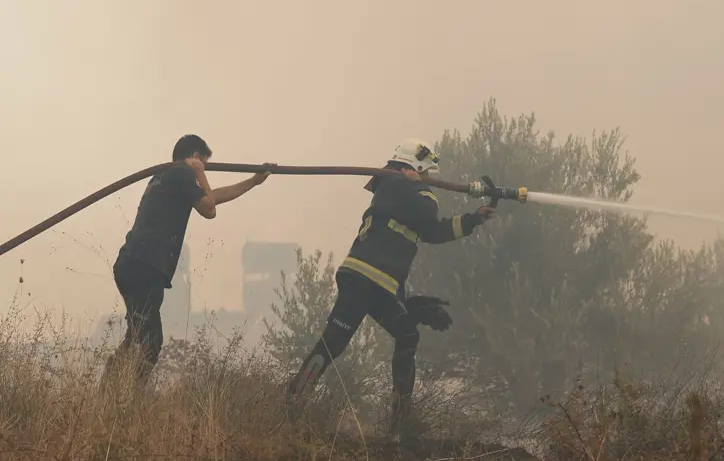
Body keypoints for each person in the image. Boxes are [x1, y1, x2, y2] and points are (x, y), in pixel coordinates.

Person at [284, 138, 496, 438]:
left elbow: (433, 232)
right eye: (426, 173)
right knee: (334, 342)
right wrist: (418, 185)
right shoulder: (395, 184)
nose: (429, 179)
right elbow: (427, 212)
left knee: (407, 334)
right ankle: (294, 399)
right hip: (364, 278)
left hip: (380, 284)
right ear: (414, 166)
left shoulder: (403, 192)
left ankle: (400, 419)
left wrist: (474, 219)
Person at [102, 134, 273, 387]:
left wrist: (253, 182)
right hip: (143, 267)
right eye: (202, 162)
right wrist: (200, 173)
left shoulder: (166, 176)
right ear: (195, 157)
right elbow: (209, 209)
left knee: (135, 336)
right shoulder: (181, 174)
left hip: (133, 265)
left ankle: (109, 390)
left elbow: (212, 197)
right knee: (151, 343)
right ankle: (130, 401)